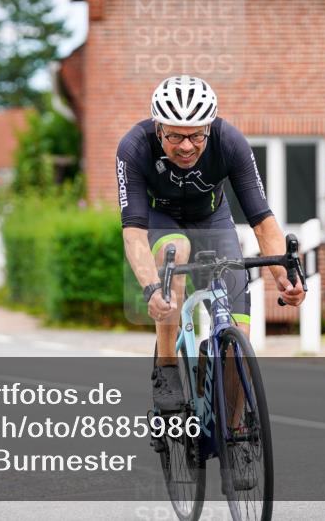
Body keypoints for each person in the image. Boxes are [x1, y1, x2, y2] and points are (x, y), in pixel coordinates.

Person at [117, 75, 305, 413]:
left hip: (213, 221)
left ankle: (237, 442)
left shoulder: (229, 141)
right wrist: (150, 289)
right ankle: (167, 366)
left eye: (196, 135)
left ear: (209, 127)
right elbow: (133, 233)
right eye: (175, 135)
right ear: (158, 128)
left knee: (238, 345)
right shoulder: (134, 147)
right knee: (178, 253)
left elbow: (262, 220)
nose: (186, 146)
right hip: (163, 222)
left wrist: (284, 276)